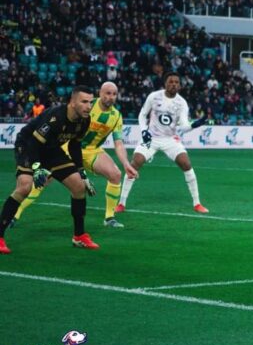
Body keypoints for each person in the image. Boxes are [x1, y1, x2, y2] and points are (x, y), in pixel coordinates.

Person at [13, 82, 138, 229]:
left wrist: (126, 164)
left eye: (114, 94)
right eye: (107, 93)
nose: (111, 97)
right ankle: (16, 214)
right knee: (43, 179)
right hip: (69, 147)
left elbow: (118, 143)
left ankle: (109, 217)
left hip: (93, 150)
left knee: (116, 174)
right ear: (100, 93)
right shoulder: (87, 106)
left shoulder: (116, 116)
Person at [0, 86, 98, 254]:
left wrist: (82, 173)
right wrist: (37, 169)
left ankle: (79, 236)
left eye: (91, 102)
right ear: (72, 102)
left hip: (51, 149)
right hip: (28, 144)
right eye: (84, 102)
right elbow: (34, 144)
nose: (88, 106)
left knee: (78, 186)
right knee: (25, 186)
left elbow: (74, 145)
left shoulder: (85, 120)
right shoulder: (55, 116)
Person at [117, 72, 211, 214]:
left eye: (176, 82)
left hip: (170, 139)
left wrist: (195, 124)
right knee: (135, 163)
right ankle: (121, 203)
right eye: (171, 81)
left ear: (179, 85)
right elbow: (142, 115)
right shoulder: (154, 96)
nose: (173, 84)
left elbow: (183, 126)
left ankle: (197, 203)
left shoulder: (181, 103)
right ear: (165, 83)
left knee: (186, 164)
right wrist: (144, 131)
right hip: (151, 138)